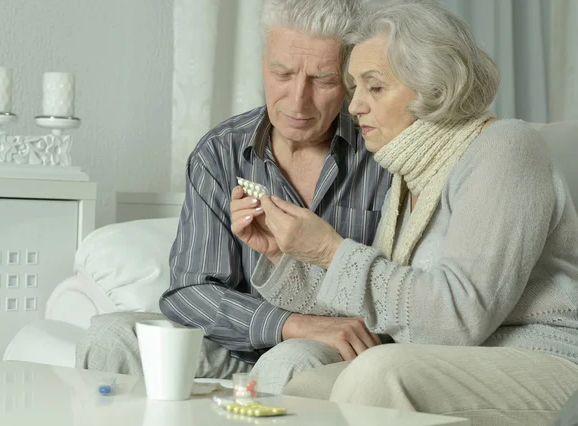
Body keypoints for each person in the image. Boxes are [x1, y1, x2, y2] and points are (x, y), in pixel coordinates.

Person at [236, 1, 578, 424]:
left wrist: (330, 250)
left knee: (380, 373)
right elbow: (382, 311)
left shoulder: (505, 147)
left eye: (374, 87)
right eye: (354, 86)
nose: (355, 105)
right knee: (304, 389)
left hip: (541, 360)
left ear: (434, 87)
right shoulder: (409, 175)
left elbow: (459, 319)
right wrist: (283, 254)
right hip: (453, 362)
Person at [75, 0, 391, 394]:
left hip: (324, 349)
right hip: (232, 344)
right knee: (109, 337)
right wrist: (285, 323)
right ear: (263, 63)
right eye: (282, 73)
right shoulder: (221, 152)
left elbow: (397, 296)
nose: (297, 101)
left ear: (349, 77)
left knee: (291, 361)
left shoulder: (383, 154)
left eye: (323, 80)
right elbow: (190, 292)